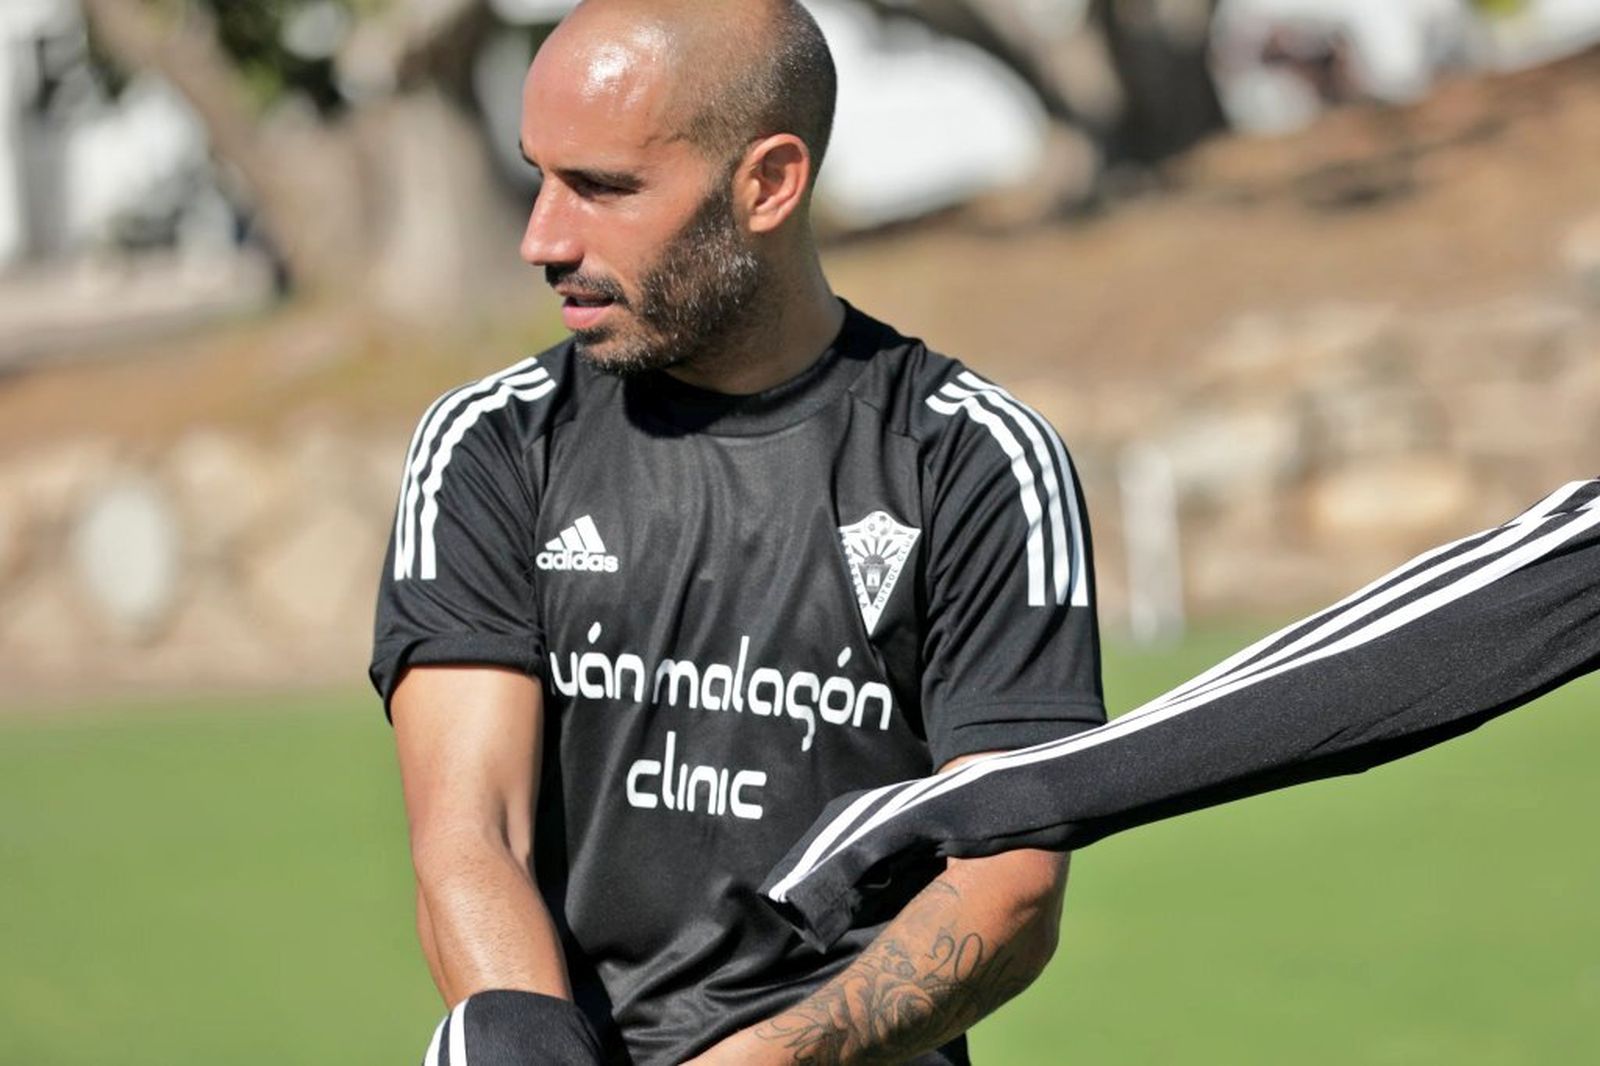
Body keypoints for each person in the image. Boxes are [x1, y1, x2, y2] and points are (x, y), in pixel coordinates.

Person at [370, 1, 1105, 1063]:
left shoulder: (970, 460)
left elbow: (1010, 882)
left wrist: (774, 1058)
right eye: (539, 173)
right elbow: (469, 835)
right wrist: (533, 1044)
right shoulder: (493, 446)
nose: (544, 237)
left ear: (766, 184)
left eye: (603, 187)